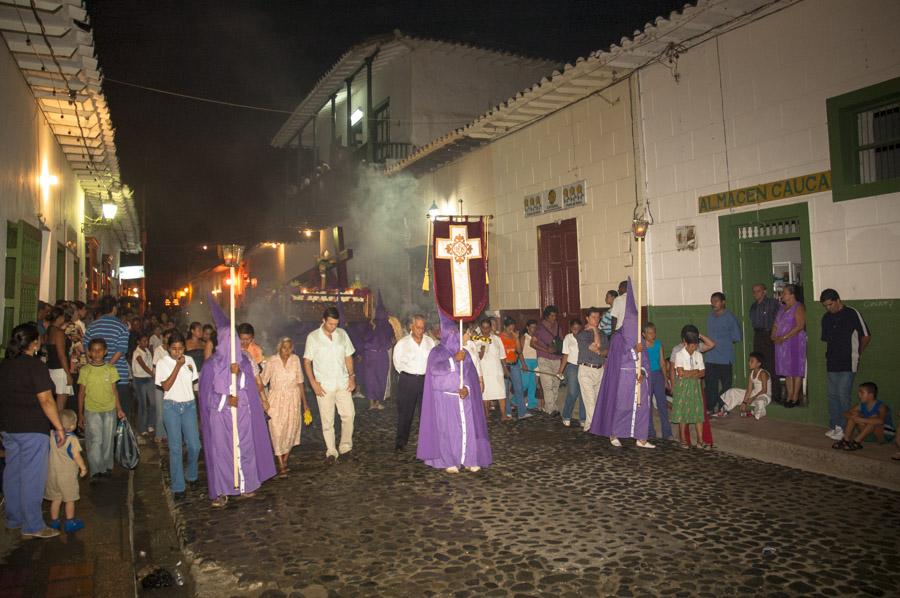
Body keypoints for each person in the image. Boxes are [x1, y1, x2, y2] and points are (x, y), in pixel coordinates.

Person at [198, 301, 276, 506]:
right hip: (221, 416)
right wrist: (225, 399)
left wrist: (238, 373)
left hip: (241, 414)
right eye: (230, 340)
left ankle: (246, 485)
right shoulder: (210, 366)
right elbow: (206, 397)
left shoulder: (241, 361)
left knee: (245, 449)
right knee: (223, 453)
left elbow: (249, 385)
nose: (235, 345)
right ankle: (223, 490)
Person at [0, 323, 66, 539]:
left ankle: (13, 518)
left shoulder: (5, 365)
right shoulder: (35, 366)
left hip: (9, 427)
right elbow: (46, 400)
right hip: (32, 429)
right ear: (34, 343)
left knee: (13, 472)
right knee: (32, 477)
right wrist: (58, 426)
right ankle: (33, 524)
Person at [416, 312, 493, 473]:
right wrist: (453, 360)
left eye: (456, 333)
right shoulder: (437, 352)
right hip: (445, 399)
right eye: (452, 333)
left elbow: (469, 376)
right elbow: (435, 371)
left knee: (467, 429)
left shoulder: (464, 353)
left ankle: (469, 459)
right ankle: (449, 460)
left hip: (463, 398)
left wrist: (468, 389)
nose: (455, 336)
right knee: (449, 431)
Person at [589, 279, 655, 449]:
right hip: (623, 378)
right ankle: (614, 433)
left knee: (642, 406)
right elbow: (618, 357)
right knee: (622, 406)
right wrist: (634, 350)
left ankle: (641, 437)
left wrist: (643, 373)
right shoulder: (618, 338)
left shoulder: (639, 337)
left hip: (638, 377)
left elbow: (646, 361)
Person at [304, 306, 357, 462]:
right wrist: (313, 383)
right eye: (330, 324)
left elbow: (348, 356)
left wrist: (352, 376)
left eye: (336, 324)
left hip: (342, 381)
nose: (333, 327)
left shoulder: (342, 334)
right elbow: (307, 362)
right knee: (328, 420)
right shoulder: (313, 337)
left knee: (349, 414)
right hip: (324, 384)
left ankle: (345, 447)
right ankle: (331, 451)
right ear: (323, 320)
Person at [820, 288, 871, 441]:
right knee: (832, 395)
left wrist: (857, 352)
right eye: (825, 306)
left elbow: (866, 336)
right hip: (832, 361)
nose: (828, 308)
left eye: (830, 304)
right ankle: (835, 426)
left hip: (849, 361)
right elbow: (827, 340)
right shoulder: (826, 317)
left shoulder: (852, 313)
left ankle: (844, 427)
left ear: (838, 300)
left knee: (843, 394)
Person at [77, 338, 125, 481]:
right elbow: (81, 393)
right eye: (93, 350)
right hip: (92, 410)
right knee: (95, 440)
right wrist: (80, 414)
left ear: (105, 352)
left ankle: (106, 467)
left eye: (100, 350)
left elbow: (114, 391)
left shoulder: (110, 369)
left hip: (109, 409)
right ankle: (96, 470)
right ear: (89, 353)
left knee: (108, 440)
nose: (97, 353)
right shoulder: (85, 370)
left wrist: (119, 409)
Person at [262, 338, 308, 477]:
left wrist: (305, 403)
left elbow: (300, 382)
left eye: (289, 348)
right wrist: (263, 400)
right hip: (275, 399)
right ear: (279, 348)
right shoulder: (272, 361)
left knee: (291, 428)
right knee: (276, 429)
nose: (286, 351)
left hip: (293, 399)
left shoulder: (295, 360)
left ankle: (285, 459)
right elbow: (262, 381)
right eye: (284, 348)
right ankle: (281, 465)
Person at [83, 296, 132, 421]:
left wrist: (93, 367)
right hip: (118, 377)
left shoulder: (92, 326)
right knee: (120, 415)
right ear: (114, 308)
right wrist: (106, 368)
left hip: (94, 378)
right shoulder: (122, 327)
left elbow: (86, 348)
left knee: (99, 415)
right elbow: (120, 351)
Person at [393, 315, 435, 450]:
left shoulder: (430, 342)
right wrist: (408, 374)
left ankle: (426, 441)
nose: (420, 331)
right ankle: (401, 441)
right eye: (418, 327)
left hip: (425, 380)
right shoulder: (402, 343)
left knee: (426, 412)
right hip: (408, 380)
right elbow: (397, 363)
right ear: (411, 326)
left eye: (422, 328)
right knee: (405, 412)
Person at [45, 409, 87, 533]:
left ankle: (54, 522)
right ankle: (70, 523)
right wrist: (83, 467)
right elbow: (76, 455)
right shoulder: (72, 439)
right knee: (69, 499)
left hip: (52, 474)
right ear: (73, 425)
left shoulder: (51, 435)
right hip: (67, 476)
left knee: (55, 499)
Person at [705, 292, 742, 416]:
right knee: (710, 385)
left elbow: (736, 337)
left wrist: (722, 342)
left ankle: (722, 407)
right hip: (711, 357)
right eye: (712, 301)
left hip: (725, 358)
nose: (713, 303)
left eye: (716, 301)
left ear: (723, 302)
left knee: (726, 385)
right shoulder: (710, 317)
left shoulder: (730, 317)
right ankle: (710, 407)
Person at [671, 328, 707, 449]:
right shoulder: (679, 355)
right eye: (691, 346)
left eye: (695, 346)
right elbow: (681, 374)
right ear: (685, 343)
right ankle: (683, 439)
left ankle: (700, 440)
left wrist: (690, 373)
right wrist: (695, 372)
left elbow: (702, 373)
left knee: (698, 413)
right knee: (683, 413)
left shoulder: (698, 355)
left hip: (695, 387)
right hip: (682, 387)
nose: (693, 349)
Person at [773, 284, 807, 407]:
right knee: (786, 370)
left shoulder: (799, 307)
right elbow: (776, 324)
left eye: (784, 293)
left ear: (792, 295)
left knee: (795, 369)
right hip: (782, 344)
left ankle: (795, 397)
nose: (782, 295)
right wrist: (774, 336)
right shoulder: (782, 308)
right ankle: (789, 395)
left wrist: (784, 337)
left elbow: (800, 326)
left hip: (795, 341)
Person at [833, 382, 894, 450]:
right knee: (854, 414)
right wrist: (854, 417)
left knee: (874, 419)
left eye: (861, 392)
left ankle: (856, 442)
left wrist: (860, 419)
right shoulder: (861, 405)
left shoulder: (881, 406)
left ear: (871, 395)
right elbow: (845, 413)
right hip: (868, 434)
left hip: (883, 435)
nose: (859, 395)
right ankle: (845, 440)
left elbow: (881, 421)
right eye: (859, 392)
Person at [576, 307, 608, 431]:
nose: (596, 320)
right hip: (586, 370)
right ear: (587, 318)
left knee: (597, 400)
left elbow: (605, 351)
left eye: (598, 317)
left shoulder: (603, 334)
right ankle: (594, 427)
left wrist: (600, 351)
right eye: (593, 317)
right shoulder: (582, 334)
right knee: (590, 401)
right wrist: (594, 330)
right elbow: (597, 346)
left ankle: (589, 427)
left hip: (600, 369)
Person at [749, 283, 781, 403]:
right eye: (754, 291)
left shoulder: (772, 304)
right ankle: (761, 393)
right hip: (758, 335)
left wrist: (774, 333)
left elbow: (779, 319)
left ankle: (776, 395)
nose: (756, 293)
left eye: (758, 291)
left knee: (771, 364)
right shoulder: (753, 306)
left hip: (769, 335)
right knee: (759, 364)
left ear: (764, 291)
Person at [360, 293, 393, 410]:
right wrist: (372, 329)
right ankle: (371, 403)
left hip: (381, 355)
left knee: (380, 378)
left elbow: (390, 339)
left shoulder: (387, 325)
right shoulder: (369, 324)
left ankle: (377, 402)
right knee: (370, 379)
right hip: (370, 355)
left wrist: (384, 345)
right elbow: (363, 338)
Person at [474, 318, 508, 422]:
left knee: (501, 392)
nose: (485, 330)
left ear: (490, 328)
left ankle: (503, 415)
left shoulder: (496, 339)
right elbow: (477, 358)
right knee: (486, 394)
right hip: (484, 372)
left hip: (496, 370)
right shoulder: (476, 340)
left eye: (487, 328)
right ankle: (486, 416)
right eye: (483, 328)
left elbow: (502, 355)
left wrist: (505, 369)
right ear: (480, 328)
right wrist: (482, 350)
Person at [531, 306, 562, 414]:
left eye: (555, 315)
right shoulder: (539, 328)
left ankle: (552, 405)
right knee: (547, 384)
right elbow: (532, 343)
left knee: (556, 383)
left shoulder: (557, 326)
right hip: (544, 358)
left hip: (557, 358)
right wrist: (546, 349)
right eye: (552, 315)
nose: (554, 318)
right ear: (547, 316)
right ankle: (550, 409)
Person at [720, 352, 771, 419]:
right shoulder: (751, 373)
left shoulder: (763, 373)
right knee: (733, 391)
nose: (749, 363)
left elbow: (764, 390)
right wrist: (744, 402)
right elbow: (749, 390)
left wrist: (752, 398)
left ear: (758, 364)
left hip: (764, 396)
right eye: (749, 361)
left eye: (752, 361)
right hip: (754, 394)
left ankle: (754, 412)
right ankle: (726, 409)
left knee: (760, 402)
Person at [643, 323, 672, 440]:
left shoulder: (658, 344)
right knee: (647, 405)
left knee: (662, 404)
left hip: (658, 375)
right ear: (644, 334)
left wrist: (665, 379)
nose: (652, 334)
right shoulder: (642, 346)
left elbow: (662, 362)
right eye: (649, 332)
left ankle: (667, 432)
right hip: (646, 376)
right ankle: (650, 431)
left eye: (654, 332)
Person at [500, 317, 531, 420]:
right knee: (505, 390)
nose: (511, 331)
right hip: (504, 365)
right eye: (509, 328)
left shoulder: (514, 336)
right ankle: (507, 412)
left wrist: (517, 338)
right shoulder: (500, 338)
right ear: (505, 327)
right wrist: (505, 369)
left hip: (515, 364)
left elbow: (518, 351)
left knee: (519, 388)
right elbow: (499, 355)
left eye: (512, 328)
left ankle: (522, 412)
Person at [46, 306, 74, 412]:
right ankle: (59, 427)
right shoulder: (59, 333)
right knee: (61, 404)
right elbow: (62, 355)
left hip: (51, 368)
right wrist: (68, 374)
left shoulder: (49, 330)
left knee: (55, 402)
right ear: (60, 318)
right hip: (60, 369)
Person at [560, 318, 584, 427]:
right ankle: (566, 415)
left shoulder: (584, 337)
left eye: (578, 329)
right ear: (570, 328)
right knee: (573, 392)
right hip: (572, 366)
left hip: (584, 366)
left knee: (584, 393)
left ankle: (583, 418)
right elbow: (565, 355)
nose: (576, 331)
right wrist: (561, 370)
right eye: (574, 329)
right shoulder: (567, 338)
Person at [131, 332, 155, 435]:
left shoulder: (147, 350)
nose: (146, 342)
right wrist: (153, 374)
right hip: (140, 379)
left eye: (147, 340)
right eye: (144, 341)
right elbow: (143, 365)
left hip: (149, 378)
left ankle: (150, 424)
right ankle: (142, 428)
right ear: (138, 342)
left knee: (153, 403)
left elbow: (150, 364)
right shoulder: (137, 352)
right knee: (143, 405)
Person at [151, 330, 171, 442]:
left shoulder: (173, 350)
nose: (168, 339)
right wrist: (157, 381)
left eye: (170, 337)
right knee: (160, 411)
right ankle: (159, 434)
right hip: (160, 384)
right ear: (163, 338)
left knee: (168, 409)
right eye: (166, 337)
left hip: (171, 383)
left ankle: (167, 434)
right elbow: (155, 367)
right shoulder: (158, 350)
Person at [521, 320, 539, 410]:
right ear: (527, 327)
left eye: (535, 327)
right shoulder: (524, 337)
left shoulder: (536, 337)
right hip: (526, 361)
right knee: (525, 383)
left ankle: (532, 403)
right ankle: (517, 399)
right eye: (532, 327)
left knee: (533, 383)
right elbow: (519, 351)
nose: (533, 329)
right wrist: (523, 363)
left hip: (534, 361)